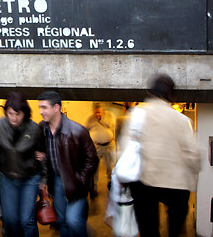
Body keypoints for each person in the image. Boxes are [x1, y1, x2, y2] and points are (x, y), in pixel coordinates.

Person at [119, 74, 201, 237]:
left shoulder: (136, 115)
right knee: (175, 228)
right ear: (170, 95)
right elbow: (193, 155)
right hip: (177, 184)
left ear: (150, 92)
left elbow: (126, 148)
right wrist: (194, 176)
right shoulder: (181, 120)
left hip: (144, 181)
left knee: (149, 229)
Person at [0, 92, 47, 237]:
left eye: (18, 114)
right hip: (8, 177)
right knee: (10, 219)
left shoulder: (34, 129)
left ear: (25, 113)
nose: (13, 118)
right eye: (10, 113)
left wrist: (44, 179)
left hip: (30, 177)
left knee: (26, 219)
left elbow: (43, 153)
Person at [37, 91, 98, 237]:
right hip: (56, 182)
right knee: (62, 221)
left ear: (56, 108)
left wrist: (80, 180)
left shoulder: (77, 131)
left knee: (74, 220)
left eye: (44, 108)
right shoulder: (42, 129)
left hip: (75, 183)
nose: (40, 112)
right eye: (40, 107)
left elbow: (92, 159)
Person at [85, 103, 116, 196]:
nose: (97, 115)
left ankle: (111, 182)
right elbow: (85, 131)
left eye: (99, 112)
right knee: (94, 167)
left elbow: (114, 128)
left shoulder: (109, 116)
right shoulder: (90, 119)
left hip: (109, 145)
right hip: (97, 146)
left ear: (102, 110)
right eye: (95, 113)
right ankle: (93, 187)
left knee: (110, 166)